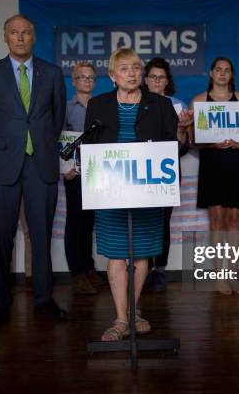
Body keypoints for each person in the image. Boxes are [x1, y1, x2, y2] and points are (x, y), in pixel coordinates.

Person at [84, 48, 183, 341]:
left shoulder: (161, 104)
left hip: (147, 190)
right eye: (124, 69)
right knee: (116, 253)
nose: (131, 73)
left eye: (136, 68)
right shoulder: (98, 104)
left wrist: (183, 132)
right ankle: (120, 318)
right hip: (109, 191)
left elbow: (176, 149)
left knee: (141, 254)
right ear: (113, 76)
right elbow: (89, 145)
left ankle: (132, 312)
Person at [0, 14, 67, 328]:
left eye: (26, 32)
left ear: (33, 36)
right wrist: (5, 145)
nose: (20, 37)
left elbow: (57, 118)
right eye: (14, 32)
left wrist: (38, 143)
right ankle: (1, 304)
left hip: (40, 164)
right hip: (4, 164)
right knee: (1, 238)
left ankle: (44, 300)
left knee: (41, 237)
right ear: (5, 37)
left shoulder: (52, 73)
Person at [191, 57, 239, 295]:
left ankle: (235, 272)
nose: (223, 74)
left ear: (231, 74)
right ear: (211, 73)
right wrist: (211, 142)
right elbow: (194, 140)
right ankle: (220, 275)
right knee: (216, 221)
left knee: (234, 222)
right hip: (212, 163)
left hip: (236, 162)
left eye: (227, 70)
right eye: (219, 70)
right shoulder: (199, 100)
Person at [143, 57, 191, 292]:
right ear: (145, 79)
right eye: (152, 76)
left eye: (160, 77)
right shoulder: (136, 102)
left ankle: (159, 270)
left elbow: (184, 147)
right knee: (142, 220)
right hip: (140, 170)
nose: (156, 81)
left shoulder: (178, 105)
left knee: (162, 222)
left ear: (167, 81)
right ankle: (143, 267)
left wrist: (182, 130)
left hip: (167, 171)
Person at [63, 62, 105, 295]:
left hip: (97, 171)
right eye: (82, 77)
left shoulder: (101, 106)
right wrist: (64, 168)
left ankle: (89, 267)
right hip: (74, 173)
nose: (87, 81)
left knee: (90, 222)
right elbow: (61, 141)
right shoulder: (67, 109)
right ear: (74, 81)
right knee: (75, 222)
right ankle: (77, 272)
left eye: (90, 77)